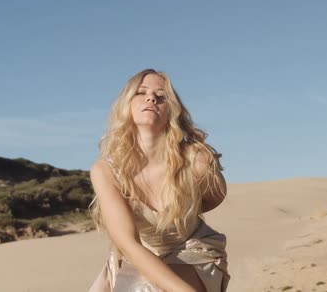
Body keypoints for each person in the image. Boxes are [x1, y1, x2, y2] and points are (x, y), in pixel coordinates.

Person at [87, 69, 230, 292]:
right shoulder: (106, 170)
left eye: (161, 96)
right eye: (140, 92)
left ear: (171, 111)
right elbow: (128, 243)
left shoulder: (196, 161)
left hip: (192, 252)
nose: (151, 98)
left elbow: (214, 198)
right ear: (126, 105)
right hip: (136, 256)